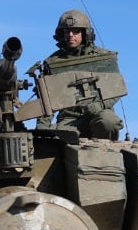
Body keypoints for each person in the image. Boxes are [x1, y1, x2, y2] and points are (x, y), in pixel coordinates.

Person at [39, 9, 123, 140]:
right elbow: (46, 100)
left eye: (76, 31)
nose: (70, 35)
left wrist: (100, 105)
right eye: (67, 31)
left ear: (86, 33)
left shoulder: (102, 58)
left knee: (108, 121)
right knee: (58, 138)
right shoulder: (53, 63)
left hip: (99, 114)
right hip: (69, 119)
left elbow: (116, 89)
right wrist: (42, 130)